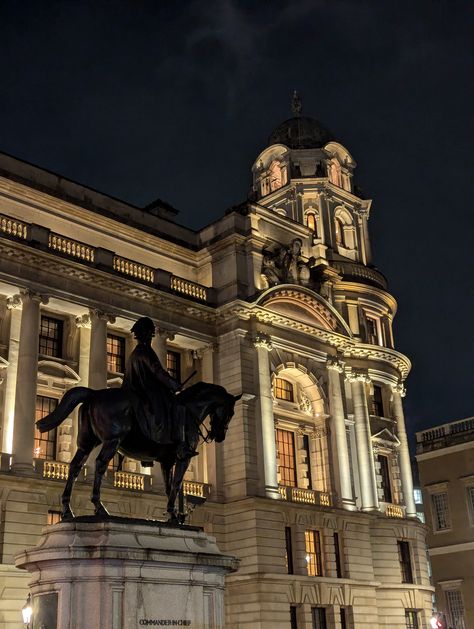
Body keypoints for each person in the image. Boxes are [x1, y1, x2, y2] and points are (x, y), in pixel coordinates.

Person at [122, 317, 197, 460]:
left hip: (135, 392)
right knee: (179, 407)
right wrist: (174, 384)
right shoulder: (146, 351)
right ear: (150, 335)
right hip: (147, 393)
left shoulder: (134, 354)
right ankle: (181, 445)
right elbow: (158, 372)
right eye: (151, 334)